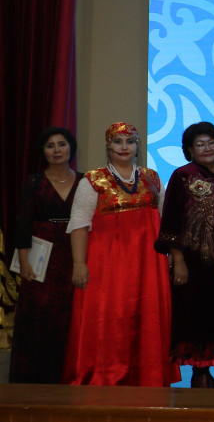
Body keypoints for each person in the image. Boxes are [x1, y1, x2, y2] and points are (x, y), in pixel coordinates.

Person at [64, 122, 173, 386]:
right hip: (107, 266)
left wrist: (171, 258)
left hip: (148, 265)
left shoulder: (152, 177)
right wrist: (79, 264)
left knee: (147, 316)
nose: (124, 147)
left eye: (130, 141)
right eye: (118, 141)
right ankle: (104, 375)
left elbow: (166, 221)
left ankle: (148, 375)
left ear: (137, 146)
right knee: (108, 317)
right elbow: (79, 223)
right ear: (108, 146)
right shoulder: (93, 180)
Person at [156, 122, 214, 388]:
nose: (207, 148)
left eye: (212, 143)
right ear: (190, 150)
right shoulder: (182, 176)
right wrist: (178, 261)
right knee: (196, 317)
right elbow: (172, 221)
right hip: (194, 264)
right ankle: (199, 375)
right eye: (200, 144)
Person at [9, 127, 81, 384]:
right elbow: (23, 226)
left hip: (76, 254)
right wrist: (24, 262)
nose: (57, 150)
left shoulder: (85, 181)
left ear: (71, 148)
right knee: (39, 315)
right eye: (50, 146)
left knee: (72, 315)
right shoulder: (34, 182)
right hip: (42, 256)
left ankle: (70, 375)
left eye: (62, 144)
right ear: (43, 152)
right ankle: (36, 379)